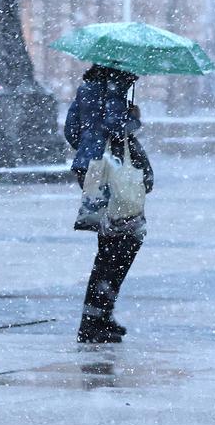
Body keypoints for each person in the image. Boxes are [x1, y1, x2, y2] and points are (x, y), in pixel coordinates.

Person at [65, 65, 153, 344]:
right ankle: (96, 318)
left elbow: (71, 130)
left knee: (110, 243)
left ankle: (97, 315)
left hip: (92, 170)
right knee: (123, 243)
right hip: (111, 172)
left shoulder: (86, 90)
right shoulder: (111, 89)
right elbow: (116, 126)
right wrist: (133, 119)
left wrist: (89, 151)